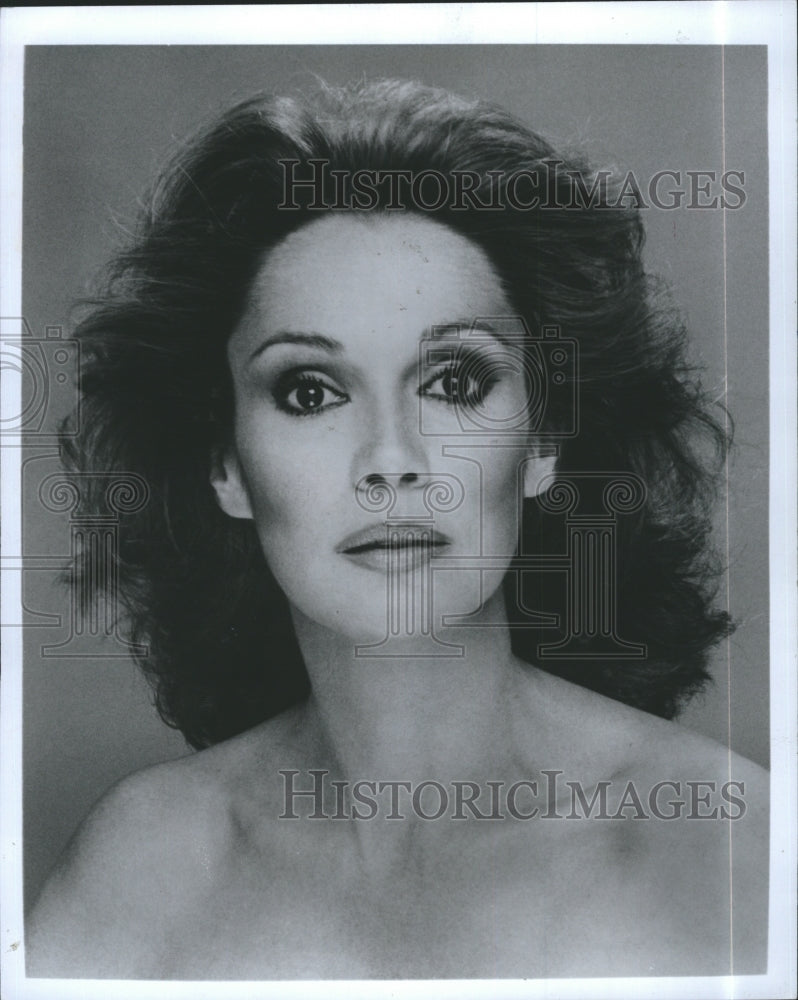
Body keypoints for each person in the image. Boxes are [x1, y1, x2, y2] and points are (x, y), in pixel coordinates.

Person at [26, 78, 767, 980]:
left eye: (454, 382)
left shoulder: (719, 848)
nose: (391, 459)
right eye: (310, 391)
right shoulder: (143, 865)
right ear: (224, 466)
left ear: (543, 444)